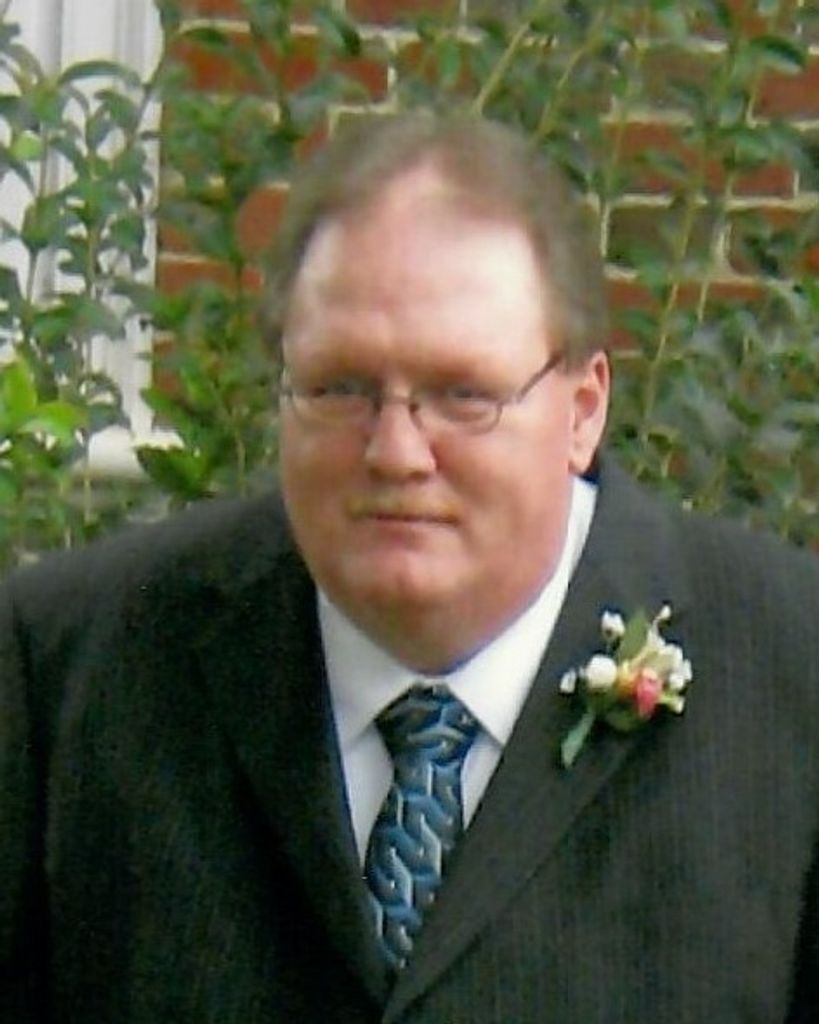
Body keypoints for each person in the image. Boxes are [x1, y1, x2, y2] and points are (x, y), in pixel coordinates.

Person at [1, 112, 818, 1023]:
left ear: (583, 409)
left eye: (462, 394)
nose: (395, 452)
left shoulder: (789, 674)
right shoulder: (68, 672)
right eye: (340, 388)